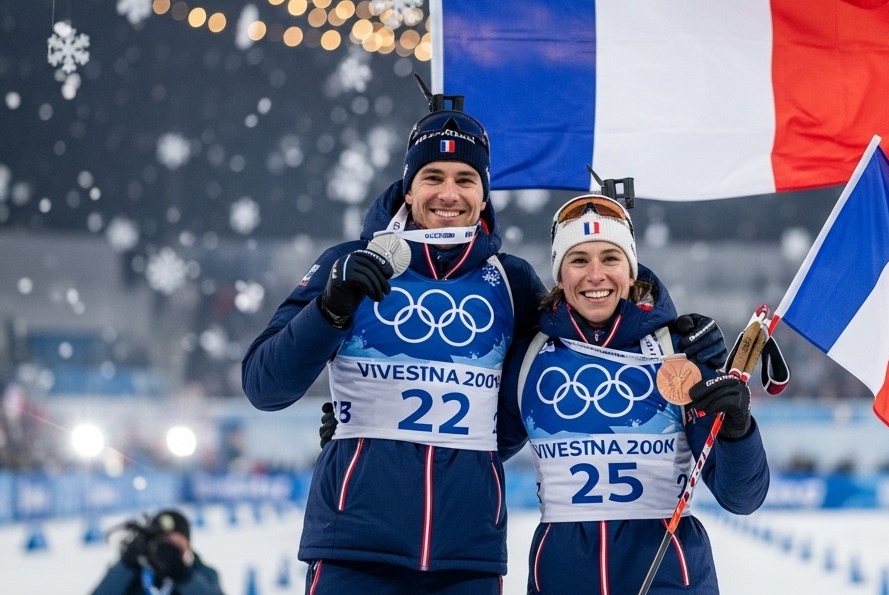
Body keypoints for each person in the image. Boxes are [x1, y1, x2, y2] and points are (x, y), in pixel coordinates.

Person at [241, 100, 547, 593]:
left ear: (485, 195)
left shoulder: (511, 281)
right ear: (408, 189)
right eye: (433, 176)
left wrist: (474, 456)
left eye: (466, 180)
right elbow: (263, 385)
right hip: (354, 554)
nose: (449, 193)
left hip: (465, 558)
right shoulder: (349, 263)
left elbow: (536, 392)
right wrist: (329, 311)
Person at [498, 191, 770, 594]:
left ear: (631, 270)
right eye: (578, 260)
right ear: (560, 274)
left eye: (610, 258)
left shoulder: (679, 353)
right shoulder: (530, 357)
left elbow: (741, 497)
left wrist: (738, 428)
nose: (595, 275)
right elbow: (474, 452)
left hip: (669, 580)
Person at [90, 508, 223, 595]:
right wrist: (126, 565)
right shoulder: (135, 575)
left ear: (188, 546)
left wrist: (183, 576)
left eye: (176, 544)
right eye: (163, 542)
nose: (168, 550)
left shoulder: (203, 573)